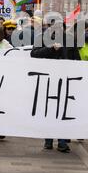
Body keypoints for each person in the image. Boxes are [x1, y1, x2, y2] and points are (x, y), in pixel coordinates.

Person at [30, 19, 71, 152]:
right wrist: (51, 48)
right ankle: (48, 140)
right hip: (47, 79)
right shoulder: (40, 37)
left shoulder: (68, 39)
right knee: (48, 110)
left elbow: (74, 57)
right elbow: (34, 54)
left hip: (64, 79)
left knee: (62, 110)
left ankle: (62, 141)